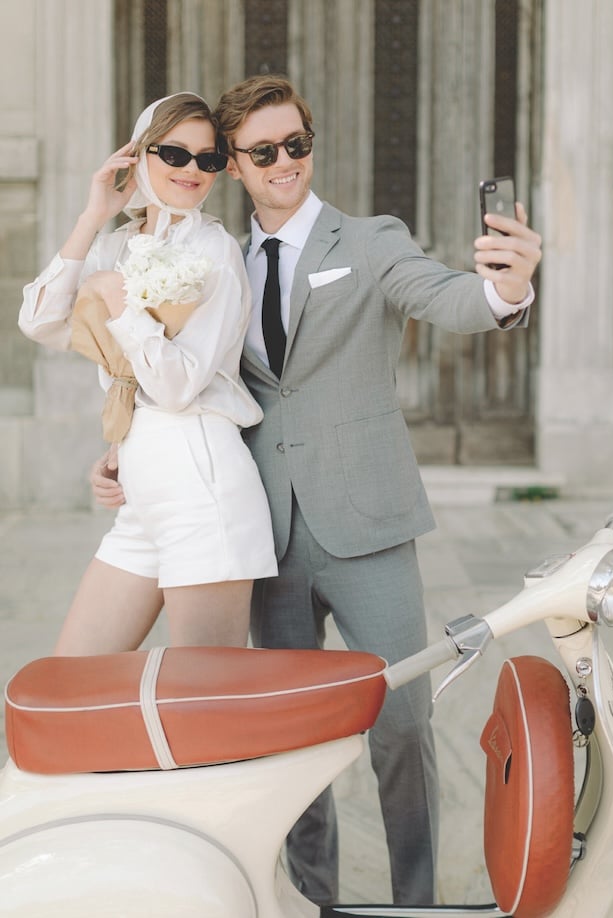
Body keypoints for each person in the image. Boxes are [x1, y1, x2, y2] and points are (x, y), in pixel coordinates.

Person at [91, 75, 542, 905]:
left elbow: (444, 294)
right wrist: (124, 453)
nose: (285, 163)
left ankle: (415, 902)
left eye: (296, 144)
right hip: (264, 528)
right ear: (234, 164)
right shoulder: (210, 256)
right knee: (290, 735)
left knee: (403, 725)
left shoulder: (368, 240)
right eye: (264, 151)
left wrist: (506, 290)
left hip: (366, 523)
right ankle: (316, 897)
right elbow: (181, 379)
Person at [19, 92, 277, 657]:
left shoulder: (214, 252)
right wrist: (93, 217)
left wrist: (123, 309)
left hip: (202, 491)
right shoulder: (113, 244)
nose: (192, 171)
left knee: (204, 704)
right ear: (138, 156)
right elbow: (40, 322)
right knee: (73, 678)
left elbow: (178, 387)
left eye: (208, 160)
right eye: (174, 153)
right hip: (143, 496)